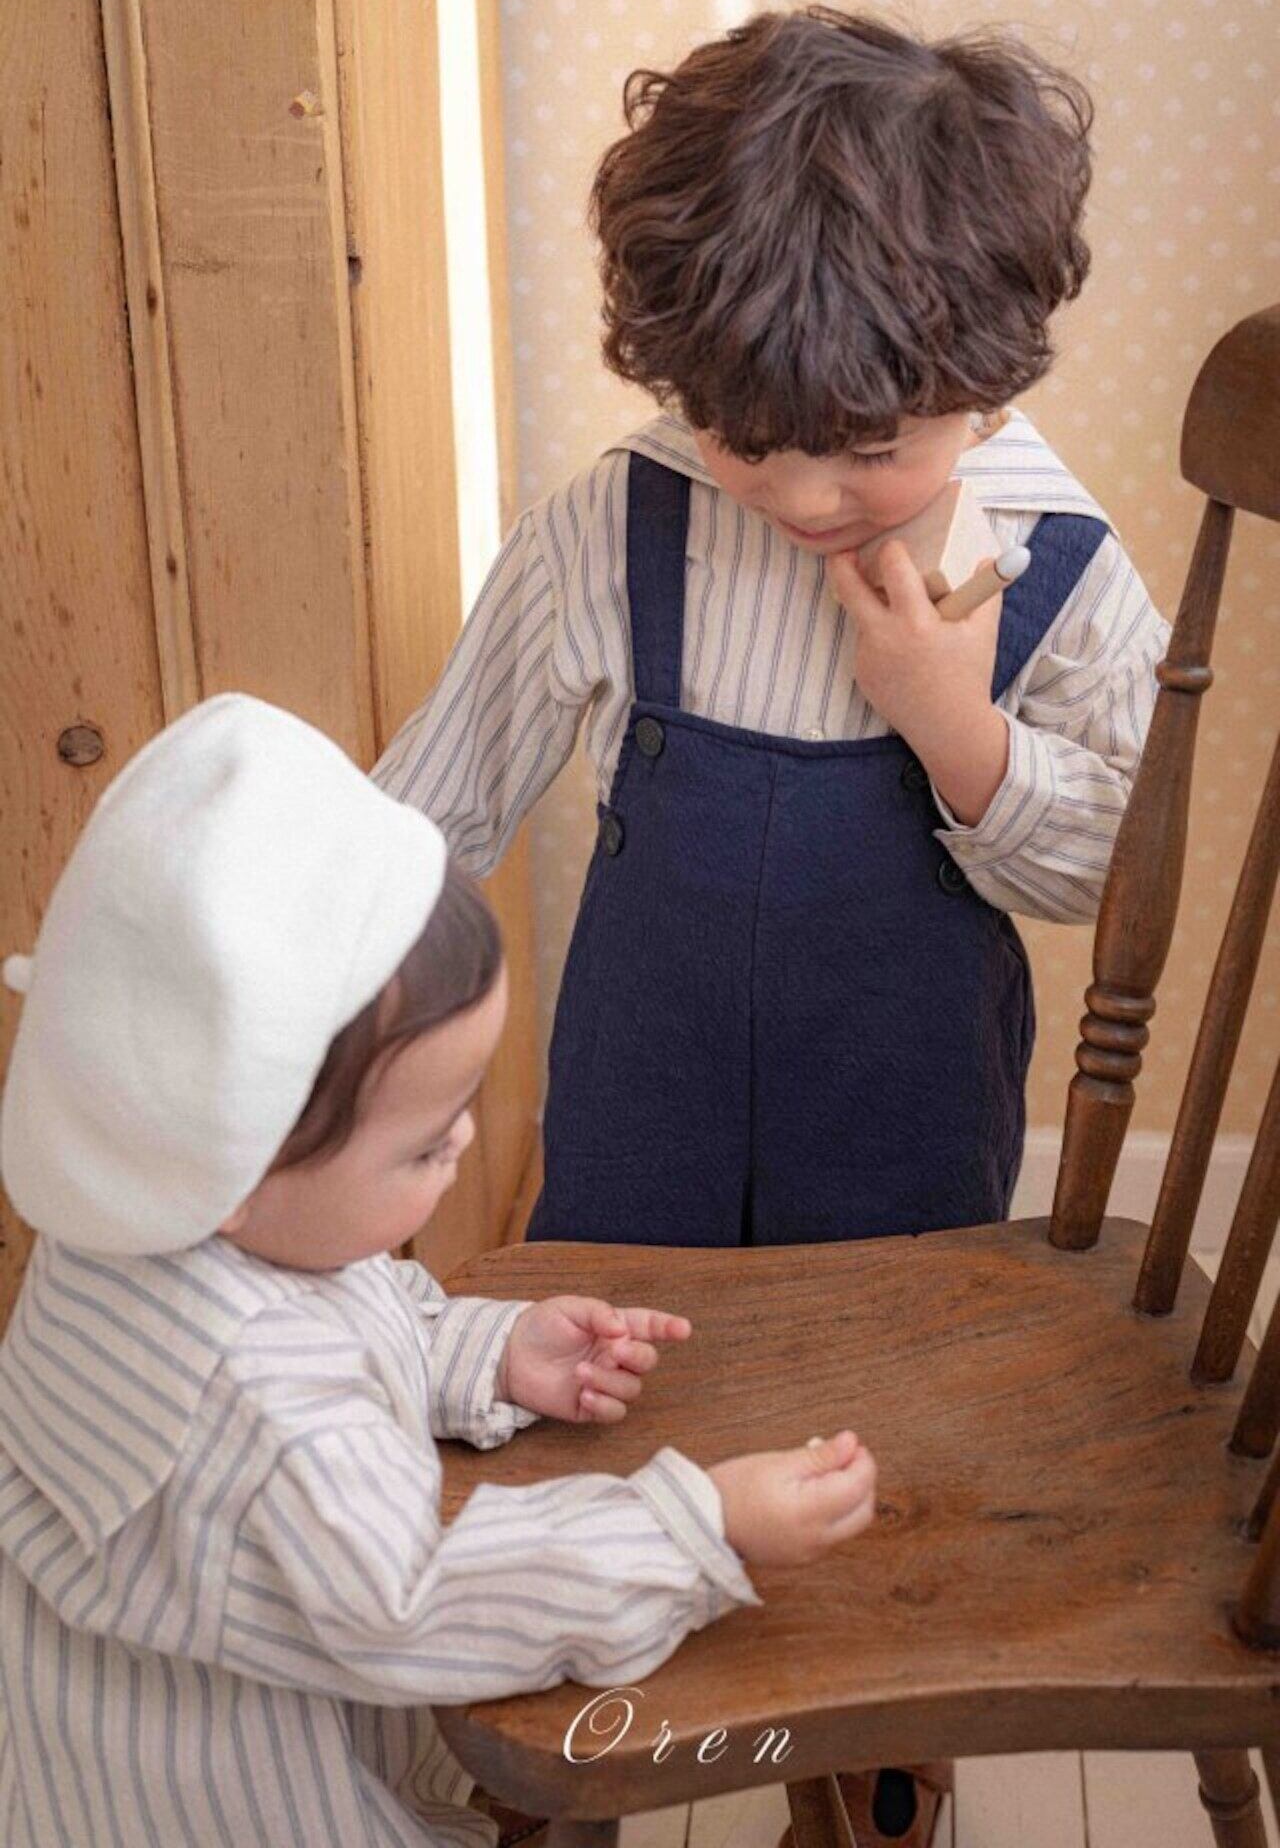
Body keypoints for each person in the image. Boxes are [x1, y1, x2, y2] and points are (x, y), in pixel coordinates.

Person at [372, 9, 1168, 1845]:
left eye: (866, 450)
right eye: (747, 440)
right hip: (640, 1131)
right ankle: (599, 1690)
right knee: (608, 1415)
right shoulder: (617, 528)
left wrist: (953, 722)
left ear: (989, 374)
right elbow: (434, 807)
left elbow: (1109, 880)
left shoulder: (1058, 563)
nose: (806, 495)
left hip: (897, 1146)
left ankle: (870, 1759)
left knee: (885, 1461)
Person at [0, 695, 878, 1848]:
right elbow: (428, 1595)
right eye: (422, 1145)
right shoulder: (262, 1420)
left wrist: (490, 1352)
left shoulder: (144, 1202)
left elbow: (340, 1316)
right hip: (228, 1803)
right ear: (235, 1165)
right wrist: (698, 1525)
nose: (463, 1141)